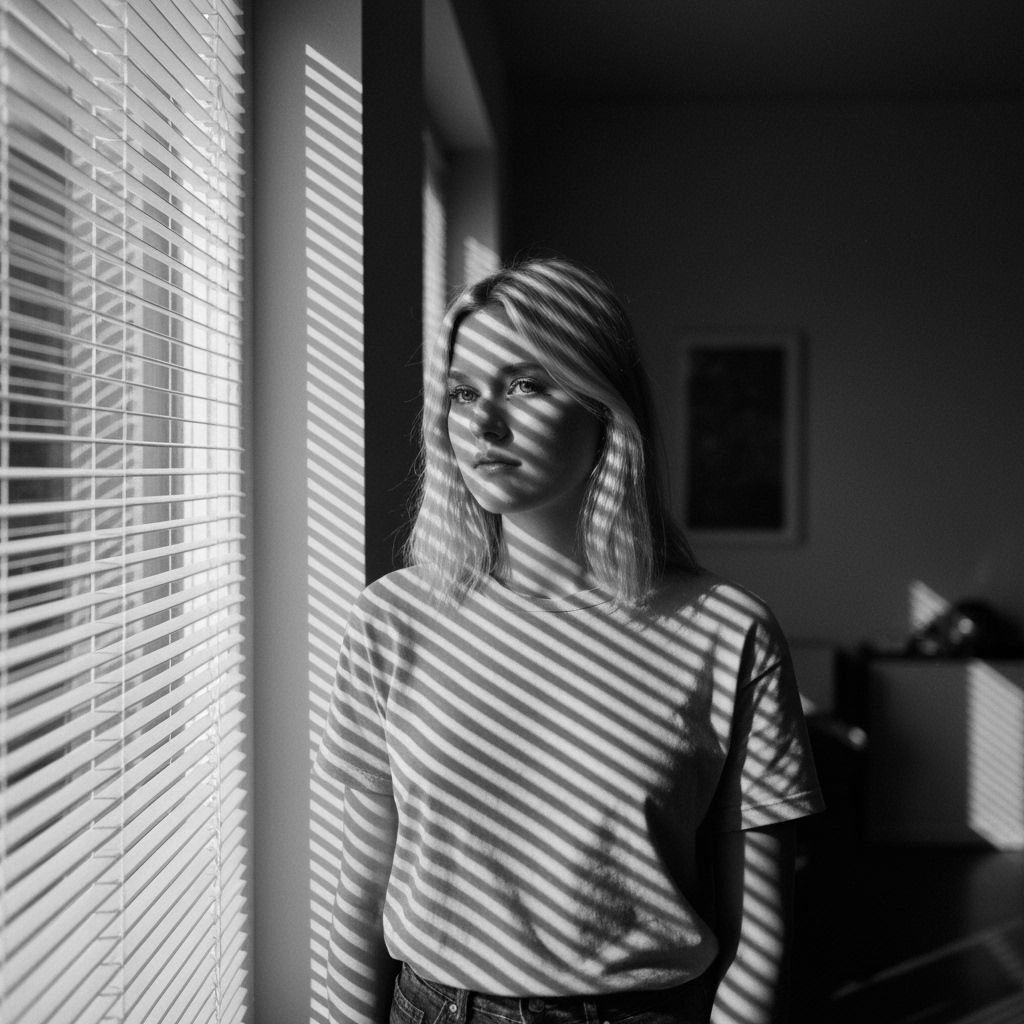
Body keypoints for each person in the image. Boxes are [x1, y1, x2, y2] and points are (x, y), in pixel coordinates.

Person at [315, 257, 824, 1024]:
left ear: (605, 408)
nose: (483, 424)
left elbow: (758, 930)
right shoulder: (393, 620)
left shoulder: (727, 632)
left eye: (525, 385)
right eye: (463, 393)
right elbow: (362, 885)